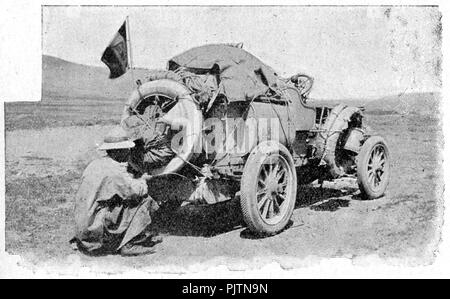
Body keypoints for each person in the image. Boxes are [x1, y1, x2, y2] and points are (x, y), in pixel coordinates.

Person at [70, 127, 161, 256]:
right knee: (145, 200)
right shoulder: (115, 172)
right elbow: (135, 191)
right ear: (119, 151)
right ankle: (130, 243)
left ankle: (119, 237)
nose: (129, 152)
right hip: (95, 231)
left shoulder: (96, 164)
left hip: (84, 229)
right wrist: (143, 180)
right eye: (127, 150)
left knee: (120, 201)